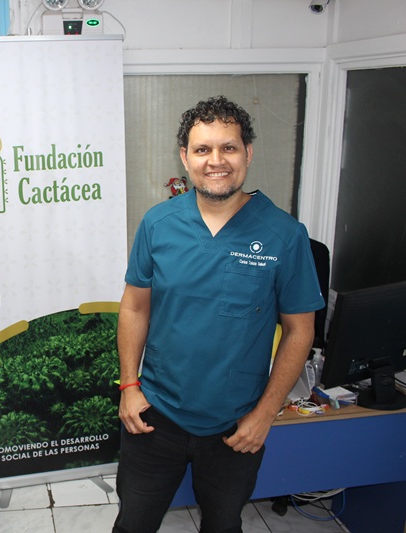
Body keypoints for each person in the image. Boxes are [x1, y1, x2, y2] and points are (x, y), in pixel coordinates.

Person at [113, 96, 325, 533]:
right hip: (156, 413)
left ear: (248, 153)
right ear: (185, 157)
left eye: (228, 147)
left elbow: (300, 331)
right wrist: (129, 386)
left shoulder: (284, 235)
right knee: (133, 523)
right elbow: (134, 306)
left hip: (236, 424)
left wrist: (265, 414)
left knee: (223, 525)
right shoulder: (158, 224)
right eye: (203, 149)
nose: (216, 161)